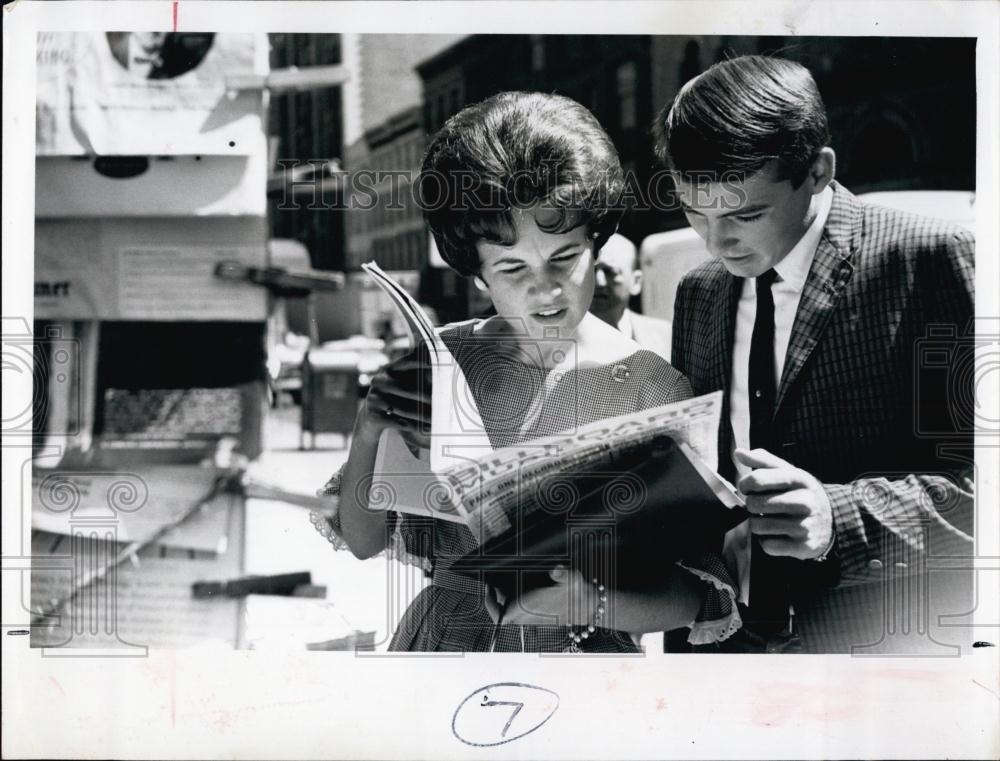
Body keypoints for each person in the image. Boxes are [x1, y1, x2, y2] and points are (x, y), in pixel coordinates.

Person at [316, 91, 741, 653]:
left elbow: (697, 597)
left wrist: (591, 602)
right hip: (445, 649)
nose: (545, 288)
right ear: (478, 275)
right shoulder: (443, 360)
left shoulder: (654, 387)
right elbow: (366, 540)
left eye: (564, 258)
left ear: (598, 239)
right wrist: (368, 429)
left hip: (584, 664)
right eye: (513, 267)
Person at [655, 55, 975, 654]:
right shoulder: (699, 292)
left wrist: (837, 518)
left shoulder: (929, 260)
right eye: (694, 212)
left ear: (819, 170)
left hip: (879, 659)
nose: (717, 241)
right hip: (722, 653)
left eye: (745, 214)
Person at [590, 233, 673, 359]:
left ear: (636, 282)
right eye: (592, 271)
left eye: (610, 272)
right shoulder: (561, 341)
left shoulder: (666, 335)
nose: (599, 282)